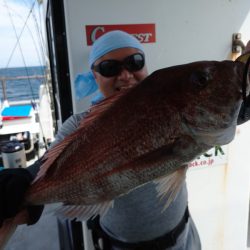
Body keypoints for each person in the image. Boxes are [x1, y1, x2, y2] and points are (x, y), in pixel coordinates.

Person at [0, 31, 249, 250]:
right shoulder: (78, 126)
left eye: (135, 62)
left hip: (184, 237)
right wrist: (24, 181)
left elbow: (224, 115)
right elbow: (46, 165)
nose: (126, 75)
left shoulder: (177, 109)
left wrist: (242, 93)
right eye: (110, 68)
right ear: (95, 77)